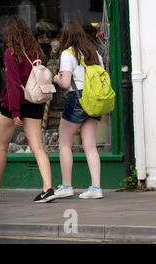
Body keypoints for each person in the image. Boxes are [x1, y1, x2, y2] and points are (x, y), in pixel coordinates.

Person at [0, 16, 55, 203]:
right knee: (38, 147)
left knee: (0, 147)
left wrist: (14, 113)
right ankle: (47, 188)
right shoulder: (36, 51)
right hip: (35, 103)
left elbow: (13, 84)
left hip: (14, 105)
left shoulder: (11, 53)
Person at [53, 21, 104, 199]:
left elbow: (66, 83)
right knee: (90, 146)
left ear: (65, 36)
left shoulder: (68, 54)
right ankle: (96, 188)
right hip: (95, 99)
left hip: (78, 98)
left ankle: (67, 186)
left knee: (65, 144)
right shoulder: (94, 53)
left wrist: (56, 78)